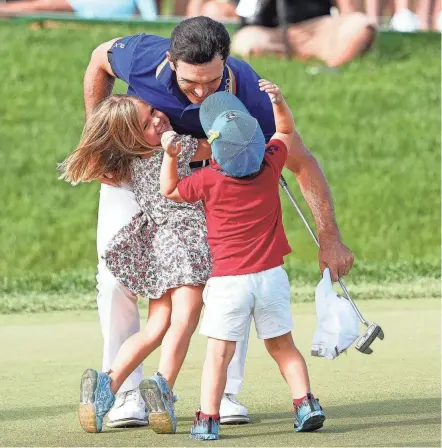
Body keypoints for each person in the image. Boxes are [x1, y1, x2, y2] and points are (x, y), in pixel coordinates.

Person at [84, 16, 354, 427]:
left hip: (210, 181)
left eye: (212, 82)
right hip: (135, 170)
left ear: (225, 61)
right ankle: (125, 396)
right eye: (191, 83)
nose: (201, 93)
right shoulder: (142, 56)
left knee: (229, 278)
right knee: (115, 280)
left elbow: (302, 163)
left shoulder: (252, 95)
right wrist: (98, 137)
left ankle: (223, 394)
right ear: (171, 61)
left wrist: (329, 238)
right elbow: (98, 59)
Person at [159, 80, 327, 440]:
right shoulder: (270, 163)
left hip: (228, 282)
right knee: (283, 346)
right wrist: (279, 100)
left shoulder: (208, 179)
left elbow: (170, 191)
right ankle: (306, 403)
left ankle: (207, 418)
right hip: (271, 277)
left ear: (216, 151)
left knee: (219, 354)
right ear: (256, 142)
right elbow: (285, 129)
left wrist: (170, 157)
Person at [59, 94, 213, 434]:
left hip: (158, 244)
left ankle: (107, 386)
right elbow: (213, 149)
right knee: (185, 317)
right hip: (187, 238)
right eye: (146, 123)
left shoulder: (129, 160)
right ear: (132, 137)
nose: (158, 120)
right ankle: (163, 387)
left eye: (155, 111)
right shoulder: (175, 147)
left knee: (157, 326)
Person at [187, 0, 376, 67]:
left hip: (316, 29)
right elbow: (242, 10)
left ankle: (333, 66)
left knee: (360, 25)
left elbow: (348, 9)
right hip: (270, 33)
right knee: (246, 43)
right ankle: (300, 60)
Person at [0, 0, 158, 20]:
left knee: (43, 7)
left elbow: (151, 18)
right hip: (87, 5)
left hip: (92, 9)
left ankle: (5, 11)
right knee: (43, 7)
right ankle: (4, 11)